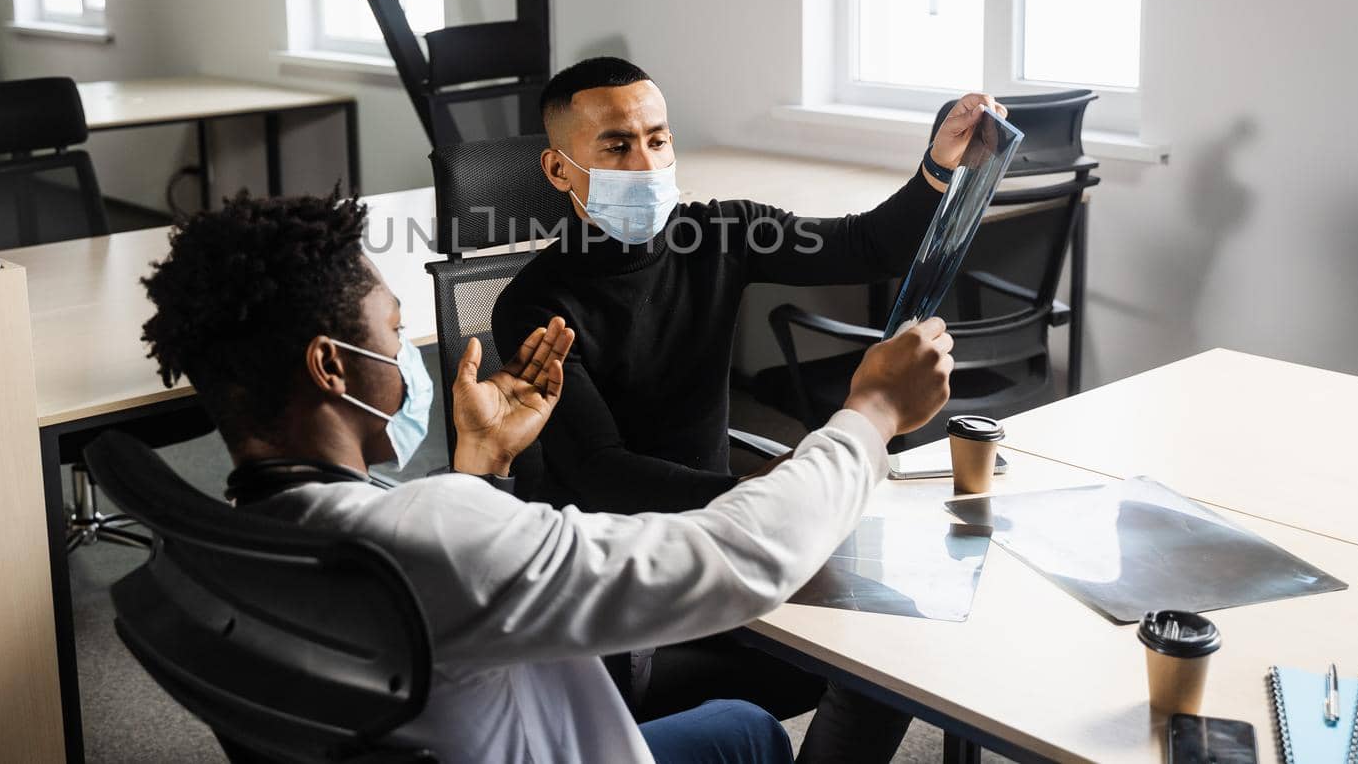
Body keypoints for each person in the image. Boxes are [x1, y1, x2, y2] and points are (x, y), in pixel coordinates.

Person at [140, 190, 954, 764]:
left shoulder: (222, 539)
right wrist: (872, 414)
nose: (402, 353)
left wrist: (482, 467)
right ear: (330, 366)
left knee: (745, 728)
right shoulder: (422, 534)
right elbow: (738, 559)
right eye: (393, 330)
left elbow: (452, 593)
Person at [491, 56, 1005, 761]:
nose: (645, 161)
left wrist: (937, 167)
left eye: (658, 137)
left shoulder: (721, 234)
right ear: (558, 171)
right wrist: (766, 498)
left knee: (895, 646)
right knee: (858, 668)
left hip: (732, 543)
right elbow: (603, 471)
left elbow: (868, 243)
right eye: (616, 144)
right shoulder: (534, 303)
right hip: (626, 588)